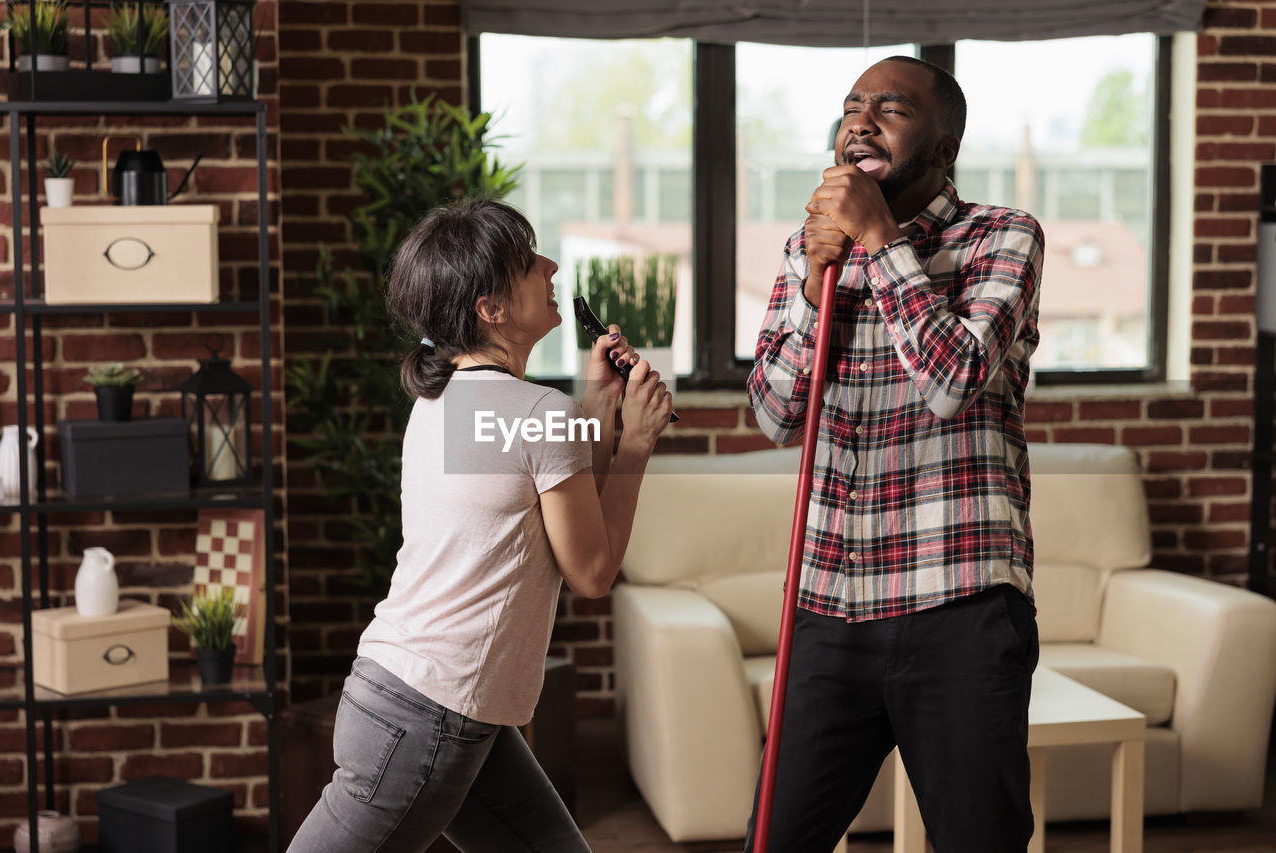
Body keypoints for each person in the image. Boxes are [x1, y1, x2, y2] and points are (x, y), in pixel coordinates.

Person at [288, 198, 673, 853]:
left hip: (421, 701)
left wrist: (596, 407)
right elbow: (591, 570)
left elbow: (540, 496)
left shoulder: (442, 399)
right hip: (428, 719)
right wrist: (633, 444)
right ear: (489, 307)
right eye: (528, 262)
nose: (551, 264)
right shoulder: (534, 413)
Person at [745, 56, 1045, 853]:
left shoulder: (1003, 236)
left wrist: (878, 238)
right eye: (851, 106)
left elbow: (953, 380)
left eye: (892, 108)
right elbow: (774, 415)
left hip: (961, 605)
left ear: (944, 148)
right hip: (827, 607)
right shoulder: (808, 251)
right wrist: (814, 283)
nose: (861, 120)